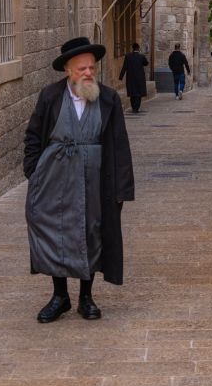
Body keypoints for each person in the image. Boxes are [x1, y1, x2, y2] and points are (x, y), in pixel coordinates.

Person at [23, 36, 135, 324]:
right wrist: (33, 172)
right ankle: (60, 296)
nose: (88, 73)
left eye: (92, 68)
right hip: (53, 178)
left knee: (92, 232)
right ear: (68, 71)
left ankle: (86, 297)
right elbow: (34, 135)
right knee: (54, 231)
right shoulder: (50, 96)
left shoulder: (108, 99)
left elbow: (120, 145)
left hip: (95, 180)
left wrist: (121, 188)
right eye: (82, 68)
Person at [119, 42, 148, 113]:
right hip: (139, 78)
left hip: (131, 78)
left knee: (132, 93)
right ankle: (136, 108)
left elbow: (124, 67)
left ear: (133, 48)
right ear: (138, 48)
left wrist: (121, 77)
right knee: (138, 93)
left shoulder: (128, 56)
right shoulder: (141, 56)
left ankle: (133, 107)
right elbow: (146, 63)